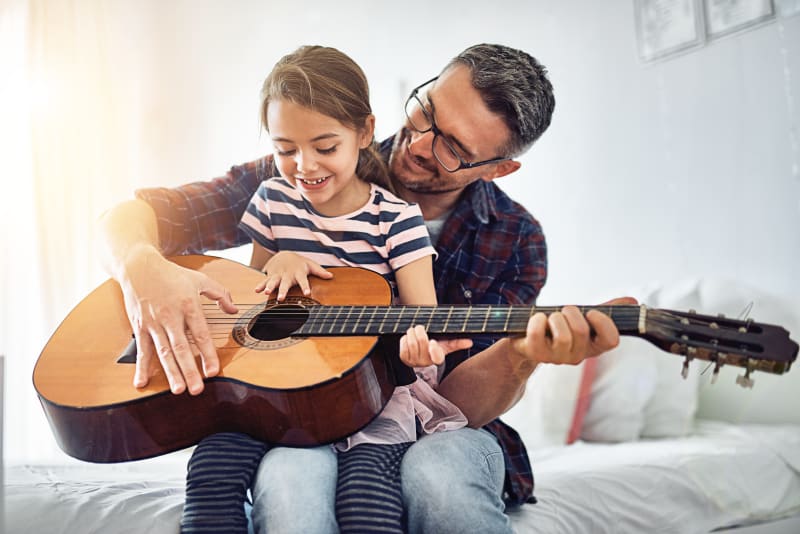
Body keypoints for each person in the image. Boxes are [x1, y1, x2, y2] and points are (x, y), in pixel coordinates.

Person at [99, 43, 629, 533]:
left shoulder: (517, 240)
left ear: (498, 168)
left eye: (452, 147)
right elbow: (132, 216)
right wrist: (141, 266)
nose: (418, 143)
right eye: (426, 112)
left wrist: (521, 354)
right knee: (286, 481)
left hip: (433, 420)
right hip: (301, 414)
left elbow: (456, 399)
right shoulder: (310, 163)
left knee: (438, 480)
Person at [180, 45, 469, 534]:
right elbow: (255, 302)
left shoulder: (396, 220)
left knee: (367, 508)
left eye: (325, 146)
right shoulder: (273, 198)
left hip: (371, 394)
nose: (304, 165)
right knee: (210, 473)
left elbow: (423, 321)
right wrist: (281, 260)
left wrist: (422, 350)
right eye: (285, 148)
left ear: (365, 133)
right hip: (275, 387)